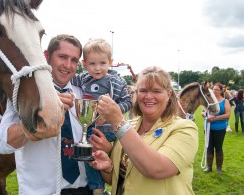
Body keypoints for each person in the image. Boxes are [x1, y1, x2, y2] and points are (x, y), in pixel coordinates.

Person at [0, 34, 93, 195]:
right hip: (41, 191)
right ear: (46, 56)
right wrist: (39, 118)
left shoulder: (83, 95)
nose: (68, 65)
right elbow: (2, 145)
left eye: (74, 60)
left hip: (83, 190)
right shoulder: (24, 94)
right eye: (62, 57)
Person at [90, 66, 199, 195]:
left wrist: (118, 121)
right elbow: (116, 180)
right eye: (143, 90)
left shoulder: (185, 129)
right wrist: (107, 167)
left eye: (156, 91)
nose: (148, 96)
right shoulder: (129, 126)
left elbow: (157, 169)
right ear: (136, 94)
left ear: (168, 94)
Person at [71, 38, 131, 195]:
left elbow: (128, 101)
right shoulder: (83, 78)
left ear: (110, 62)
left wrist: (113, 111)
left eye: (102, 63)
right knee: (86, 153)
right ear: (84, 64)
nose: (97, 68)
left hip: (106, 129)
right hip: (87, 125)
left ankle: (98, 188)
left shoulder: (116, 81)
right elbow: (65, 78)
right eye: (92, 64)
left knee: (88, 154)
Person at [201, 82, 231, 174]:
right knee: (209, 147)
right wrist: (206, 116)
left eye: (217, 89)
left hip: (220, 128)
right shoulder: (209, 100)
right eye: (213, 89)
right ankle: (209, 167)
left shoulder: (225, 101)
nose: (214, 91)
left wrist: (215, 118)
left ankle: (219, 168)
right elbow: (202, 112)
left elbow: (227, 114)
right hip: (208, 127)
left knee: (218, 148)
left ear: (221, 91)